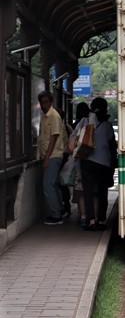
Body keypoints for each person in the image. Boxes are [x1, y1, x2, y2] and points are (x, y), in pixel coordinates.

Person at [70, 97, 117, 231]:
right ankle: (101, 220)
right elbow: (111, 145)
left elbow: (73, 139)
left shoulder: (84, 121)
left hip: (87, 160)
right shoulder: (107, 125)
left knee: (88, 192)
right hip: (104, 163)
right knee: (102, 192)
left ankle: (90, 220)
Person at [36, 90, 65, 225]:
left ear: (51, 102)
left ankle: (56, 214)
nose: (44, 105)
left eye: (46, 102)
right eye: (42, 103)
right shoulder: (44, 116)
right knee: (53, 184)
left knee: (48, 185)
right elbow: (42, 138)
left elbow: (54, 137)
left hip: (53, 155)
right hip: (48, 155)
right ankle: (60, 210)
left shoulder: (54, 116)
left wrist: (46, 157)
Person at [70, 102, 90, 225]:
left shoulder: (77, 124)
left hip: (80, 161)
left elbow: (71, 146)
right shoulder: (95, 123)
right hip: (94, 161)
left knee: (80, 190)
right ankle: (94, 216)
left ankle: (81, 215)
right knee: (93, 191)